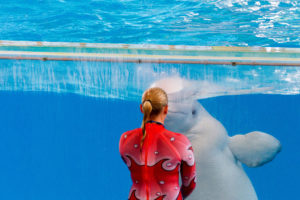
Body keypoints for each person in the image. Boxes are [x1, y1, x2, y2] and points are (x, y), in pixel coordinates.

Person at [119, 87, 196, 200]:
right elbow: (190, 184)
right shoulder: (181, 142)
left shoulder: (125, 139)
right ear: (165, 109)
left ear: (142, 108)